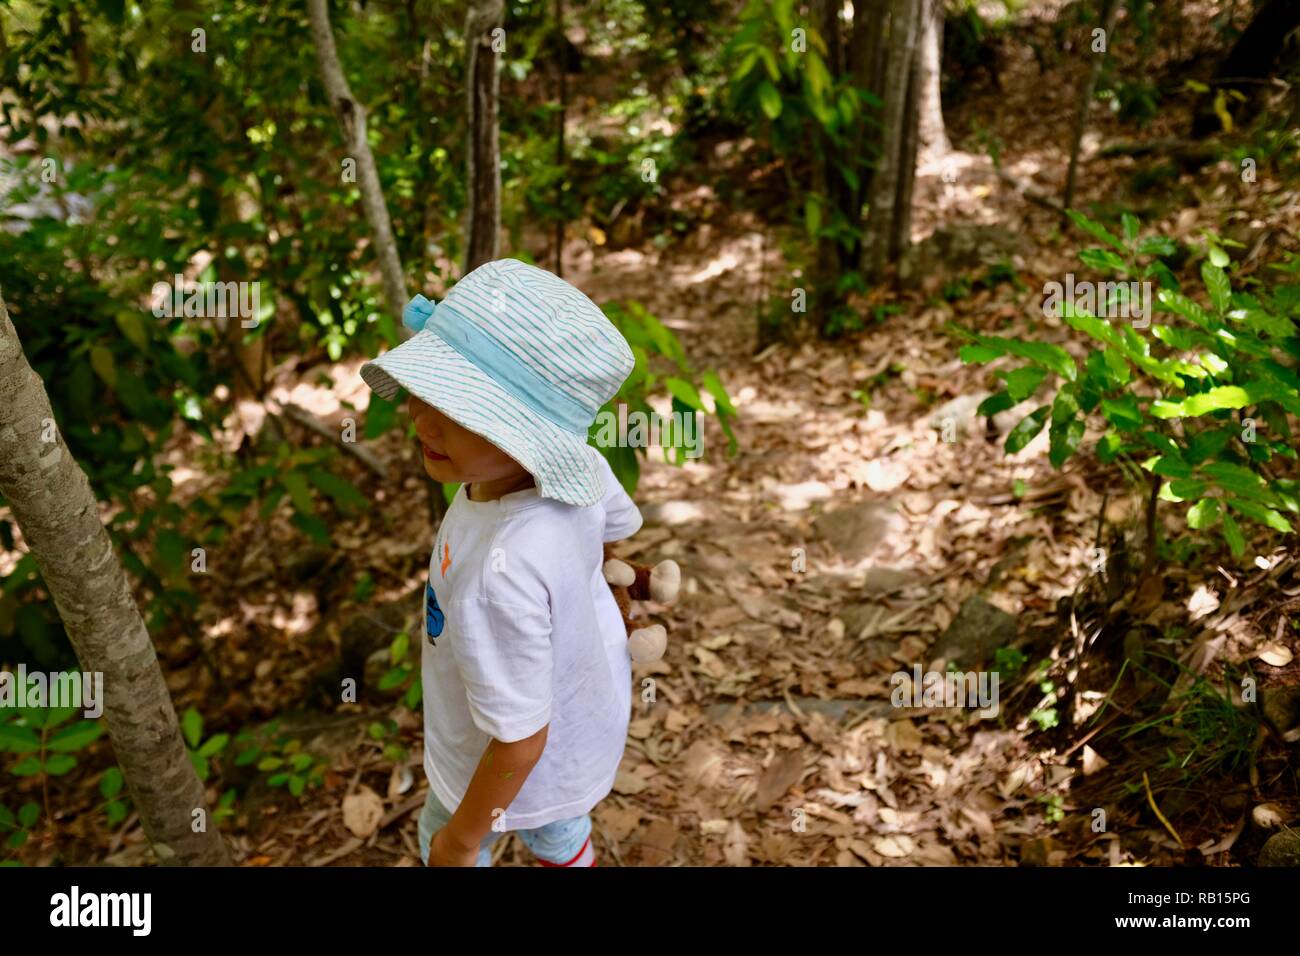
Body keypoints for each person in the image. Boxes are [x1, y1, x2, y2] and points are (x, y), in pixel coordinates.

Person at [359, 258, 642, 867]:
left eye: (460, 413)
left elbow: (517, 743)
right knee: (561, 830)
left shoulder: (498, 574)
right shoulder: (583, 470)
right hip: (579, 726)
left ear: (530, 441)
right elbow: (611, 533)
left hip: (489, 767)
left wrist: (461, 839)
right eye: (426, 393)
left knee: (452, 837)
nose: (423, 420)